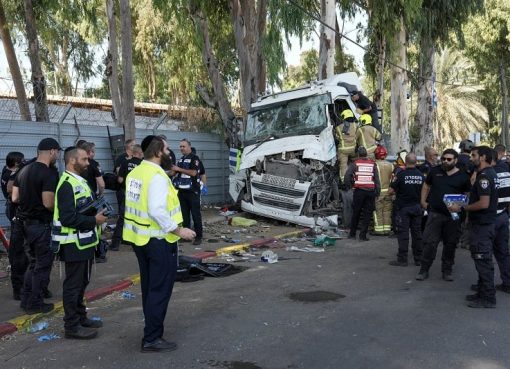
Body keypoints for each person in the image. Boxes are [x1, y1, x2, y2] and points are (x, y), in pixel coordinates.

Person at [123, 135, 195, 353]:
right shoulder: (157, 176)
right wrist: (179, 230)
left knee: (149, 288)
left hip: (140, 240)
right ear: (157, 152)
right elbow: (156, 210)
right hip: (158, 241)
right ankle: (152, 337)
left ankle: (151, 332)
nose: (169, 152)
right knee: (159, 290)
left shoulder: (135, 172)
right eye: (166, 149)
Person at [52, 147, 108, 339]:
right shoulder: (67, 183)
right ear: (72, 161)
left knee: (82, 282)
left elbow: (82, 209)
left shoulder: (80, 181)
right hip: (72, 244)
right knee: (73, 285)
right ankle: (72, 326)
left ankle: (81, 317)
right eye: (84, 159)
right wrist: (95, 221)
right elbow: (67, 218)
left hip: (84, 242)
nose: (88, 162)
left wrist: (97, 213)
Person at [12, 138, 60, 314]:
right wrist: (60, 210)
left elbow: (14, 198)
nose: (58, 156)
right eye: (57, 152)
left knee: (33, 263)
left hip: (25, 224)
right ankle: (35, 303)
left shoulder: (24, 170)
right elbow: (48, 203)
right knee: (42, 265)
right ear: (52, 151)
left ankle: (26, 299)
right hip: (40, 226)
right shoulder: (47, 173)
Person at [448, 146, 498, 308]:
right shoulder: (488, 174)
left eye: (474, 155)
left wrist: (462, 208)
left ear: (483, 157)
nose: (471, 158)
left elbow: (484, 203)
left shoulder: (485, 177)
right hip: (484, 224)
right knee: (481, 259)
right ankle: (482, 291)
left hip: (483, 225)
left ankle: (488, 298)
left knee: (483, 260)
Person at [416, 149, 471, 282]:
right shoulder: (435, 171)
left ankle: (447, 270)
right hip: (435, 214)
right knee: (429, 243)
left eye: (449, 159)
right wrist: (423, 201)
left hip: (453, 217)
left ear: (455, 160)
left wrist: (461, 206)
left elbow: (467, 195)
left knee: (450, 244)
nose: (445, 161)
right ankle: (424, 270)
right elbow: (426, 185)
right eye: (443, 159)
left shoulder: (463, 176)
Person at [388, 153, 424, 266]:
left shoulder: (401, 174)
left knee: (403, 234)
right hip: (417, 208)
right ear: (416, 162)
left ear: (405, 162)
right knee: (417, 234)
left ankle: (402, 259)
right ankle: (418, 259)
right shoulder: (421, 175)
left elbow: (390, 191)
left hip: (403, 208)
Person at [2, 152, 28, 300]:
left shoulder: (10, 172)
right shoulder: (8, 175)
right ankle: (19, 287)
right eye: (22, 161)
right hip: (14, 211)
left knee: (21, 250)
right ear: (17, 163)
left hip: (16, 211)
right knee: (18, 250)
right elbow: (10, 191)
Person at [110, 144, 144, 251]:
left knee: (122, 218)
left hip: (128, 194)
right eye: (142, 153)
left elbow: (120, 180)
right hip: (140, 196)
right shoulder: (143, 165)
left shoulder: (125, 163)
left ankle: (115, 244)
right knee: (138, 219)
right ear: (138, 153)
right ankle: (138, 243)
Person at [344, 146, 381, 241]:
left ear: (358, 155)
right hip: (370, 192)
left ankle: (352, 234)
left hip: (359, 192)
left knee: (356, 212)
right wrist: (378, 191)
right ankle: (362, 236)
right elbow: (377, 179)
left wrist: (349, 186)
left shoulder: (355, 164)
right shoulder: (373, 164)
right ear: (366, 154)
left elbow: (347, 175)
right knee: (367, 214)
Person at [172, 139, 204, 245]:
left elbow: (194, 173)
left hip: (192, 191)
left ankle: (198, 236)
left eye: (183, 146)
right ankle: (186, 236)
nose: (181, 148)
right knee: (184, 215)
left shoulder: (195, 158)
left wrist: (179, 169)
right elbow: (174, 172)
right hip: (182, 191)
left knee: (195, 215)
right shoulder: (181, 160)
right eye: (180, 146)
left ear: (189, 147)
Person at [372, 145, 393, 235]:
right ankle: (387, 230)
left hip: (378, 192)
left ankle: (379, 230)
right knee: (387, 211)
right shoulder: (391, 165)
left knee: (378, 211)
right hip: (389, 192)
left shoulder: (374, 165)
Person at [334, 109, 358, 181]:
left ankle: (344, 181)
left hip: (343, 150)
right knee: (356, 163)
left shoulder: (338, 128)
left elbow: (337, 138)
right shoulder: (356, 125)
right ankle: (356, 178)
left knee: (343, 166)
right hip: (353, 149)